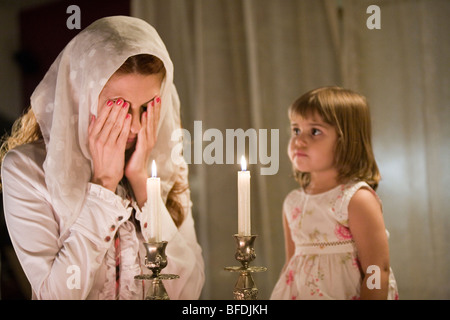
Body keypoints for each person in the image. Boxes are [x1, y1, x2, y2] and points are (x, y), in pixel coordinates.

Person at [0, 16, 204, 300]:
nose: (135, 126)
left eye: (147, 107)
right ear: (80, 97)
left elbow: (188, 291)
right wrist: (104, 184)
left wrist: (143, 184)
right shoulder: (26, 170)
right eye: (119, 107)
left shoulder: (167, 166)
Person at [270, 86, 398, 300]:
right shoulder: (292, 203)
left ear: (346, 140)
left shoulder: (356, 200)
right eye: (296, 130)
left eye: (315, 131)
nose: (299, 140)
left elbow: (376, 269)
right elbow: (291, 265)